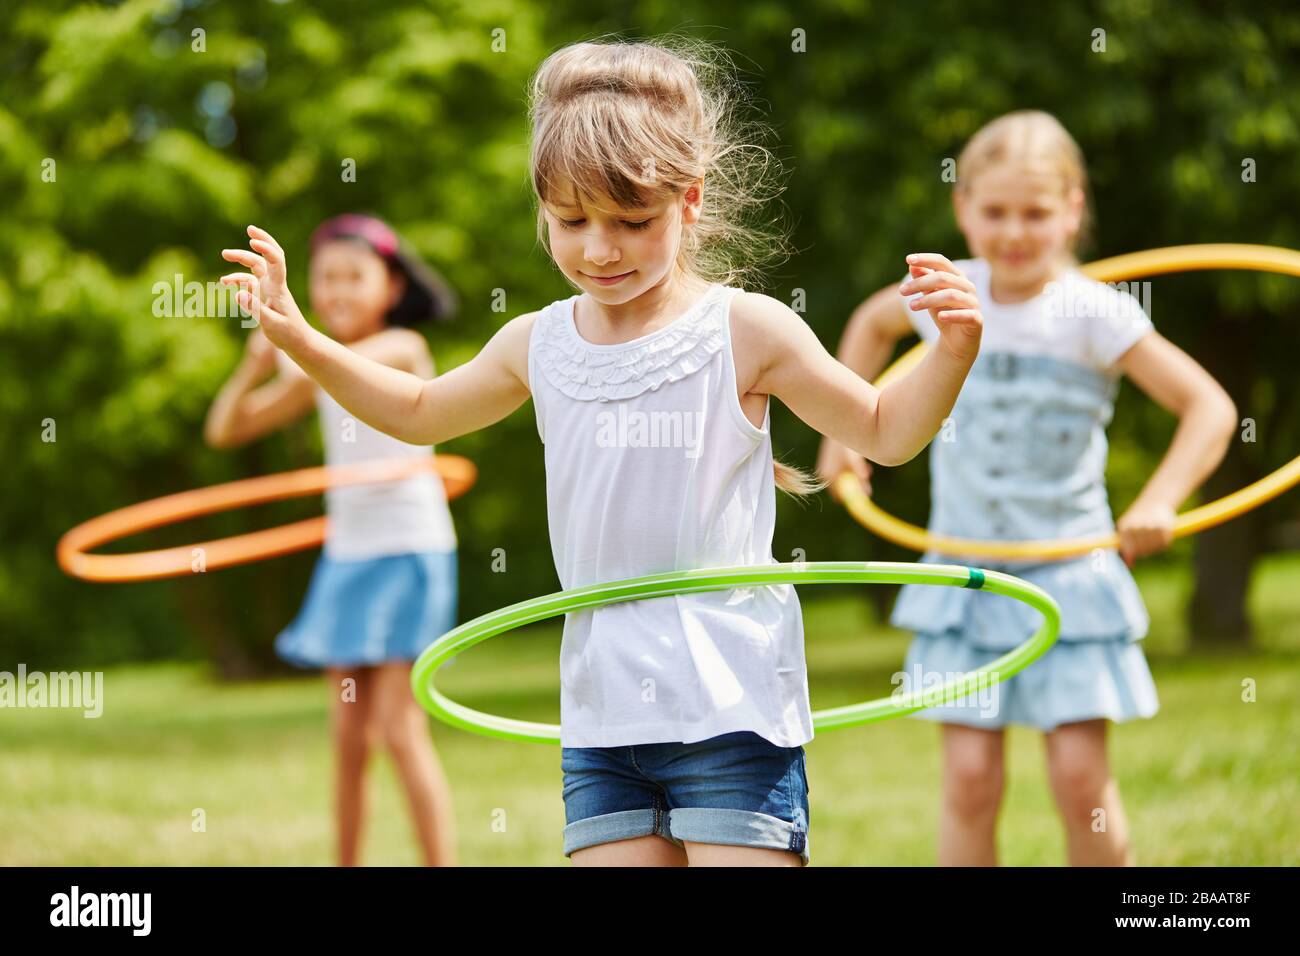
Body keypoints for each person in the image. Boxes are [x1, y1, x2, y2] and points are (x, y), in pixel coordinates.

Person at [218, 38, 983, 866]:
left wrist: (951, 351)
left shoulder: (745, 329)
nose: (599, 249)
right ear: (542, 210)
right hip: (604, 716)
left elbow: (885, 429)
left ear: (689, 202)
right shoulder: (536, 343)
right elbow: (413, 411)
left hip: (729, 703)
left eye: (631, 221)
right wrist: (298, 336)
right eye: (571, 220)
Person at [817, 110, 1238, 866]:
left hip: (1071, 576)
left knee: (1081, 780)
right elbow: (869, 324)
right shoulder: (945, 295)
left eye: (1037, 213)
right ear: (963, 208)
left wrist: (1159, 500)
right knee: (971, 779)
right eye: (996, 212)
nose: (1014, 232)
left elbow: (1209, 408)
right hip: (965, 578)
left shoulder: (1096, 312)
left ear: (1073, 210)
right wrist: (845, 441)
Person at [205, 213, 461, 866]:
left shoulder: (400, 347)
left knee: (398, 729)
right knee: (348, 735)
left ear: (392, 284)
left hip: (408, 552)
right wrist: (251, 364)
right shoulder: (313, 367)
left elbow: (337, 365)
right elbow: (225, 431)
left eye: (354, 277)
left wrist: (293, 345)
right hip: (347, 557)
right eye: (326, 279)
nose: (338, 291)